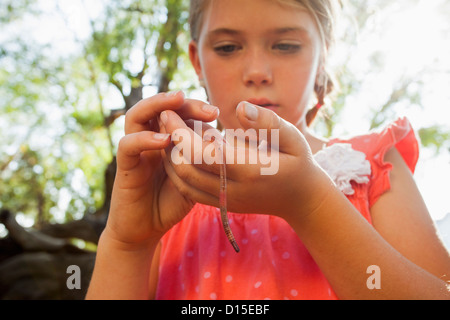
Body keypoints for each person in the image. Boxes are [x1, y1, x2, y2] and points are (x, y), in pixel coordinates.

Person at [86, 0, 450, 300]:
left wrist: (311, 205)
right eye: (228, 47)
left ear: (322, 58)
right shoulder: (172, 190)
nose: (257, 71)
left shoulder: (371, 166)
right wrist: (128, 242)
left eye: (286, 45)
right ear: (198, 62)